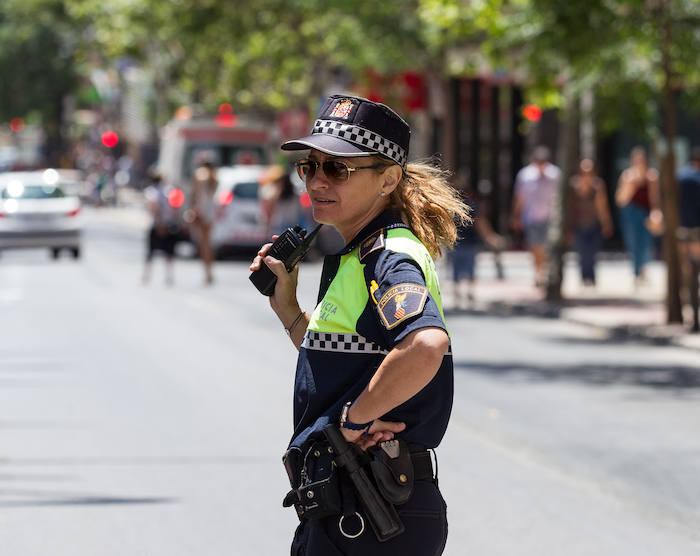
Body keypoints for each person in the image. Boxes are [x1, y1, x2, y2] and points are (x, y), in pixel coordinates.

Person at [250, 94, 470, 555]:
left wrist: (355, 421)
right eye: (311, 167)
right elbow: (345, 369)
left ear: (388, 179)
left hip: (375, 507)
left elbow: (425, 345)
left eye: (339, 169)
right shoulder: (357, 252)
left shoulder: (388, 256)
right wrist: (289, 310)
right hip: (352, 504)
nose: (318, 181)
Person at [511, 146, 560, 287]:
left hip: (549, 217)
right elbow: (519, 198)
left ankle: (543, 272)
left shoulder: (555, 174)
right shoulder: (525, 175)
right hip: (531, 217)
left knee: (545, 247)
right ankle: (538, 272)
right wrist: (516, 216)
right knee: (534, 246)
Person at [448, 181, 503, 308]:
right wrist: (490, 238)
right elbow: (481, 224)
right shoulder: (473, 208)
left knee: (456, 269)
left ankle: (457, 295)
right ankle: (469, 293)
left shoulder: (452, 207)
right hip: (470, 243)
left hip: (455, 243)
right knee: (470, 268)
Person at [615, 146, 661, 284]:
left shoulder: (652, 175)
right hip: (631, 213)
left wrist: (656, 212)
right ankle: (636, 271)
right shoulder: (627, 176)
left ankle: (643, 270)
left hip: (645, 213)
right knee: (633, 242)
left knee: (646, 243)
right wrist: (631, 185)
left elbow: (655, 198)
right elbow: (620, 200)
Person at [567, 158, 614, 287]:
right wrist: (568, 227)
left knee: (592, 253)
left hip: (594, 224)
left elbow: (602, 206)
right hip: (578, 225)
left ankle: (591, 277)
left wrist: (606, 223)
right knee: (581, 253)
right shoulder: (574, 185)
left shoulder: (598, 186)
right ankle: (583, 277)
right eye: (584, 171)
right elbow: (570, 208)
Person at [142, 170, 179, 285]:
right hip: (169, 224)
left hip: (157, 224)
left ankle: (147, 275)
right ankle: (169, 276)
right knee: (168, 252)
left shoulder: (151, 191)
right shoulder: (169, 191)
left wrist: (159, 223)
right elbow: (175, 208)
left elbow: (154, 207)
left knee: (151, 252)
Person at [677, 147, 700, 331]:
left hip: (684, 232)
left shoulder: (681, 177)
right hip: (696, 233)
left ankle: (693, 319)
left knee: (689, 276)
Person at [190, 161, 217, 285]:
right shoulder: (214, 176)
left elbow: (196, 195)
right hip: (211, 209)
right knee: (208, 242)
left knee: (203, 243)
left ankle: (207, 273)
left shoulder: (199, 174)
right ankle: (209, 271)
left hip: (202, 209)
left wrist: (194, 209)